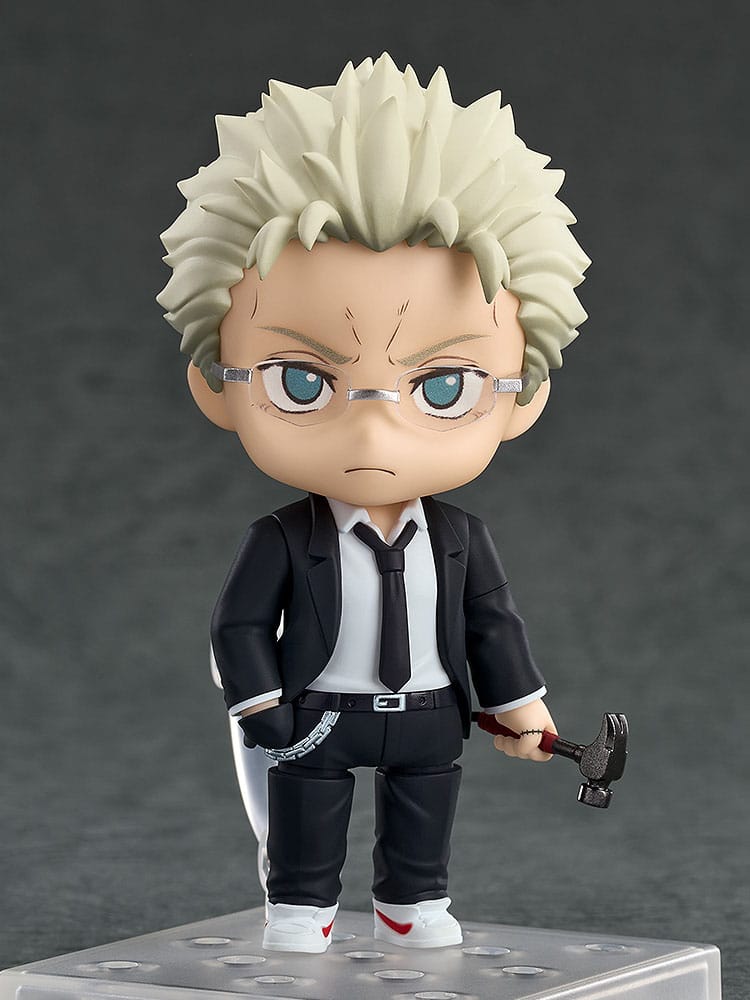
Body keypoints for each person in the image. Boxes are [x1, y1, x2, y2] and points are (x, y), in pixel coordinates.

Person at [157, 53, 590, 954]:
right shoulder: (282, 537)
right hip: (317, 712)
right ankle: (299, 906)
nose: (373, 432)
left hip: (430, 713)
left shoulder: (462, 537)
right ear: (215, 383)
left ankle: (413, 901)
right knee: (306, 822)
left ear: (524, 397)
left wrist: (522, 705)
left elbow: (493, 625)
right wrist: (263, 711)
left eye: (442, 387)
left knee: (424, 818)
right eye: (302, 381)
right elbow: (238, 624)